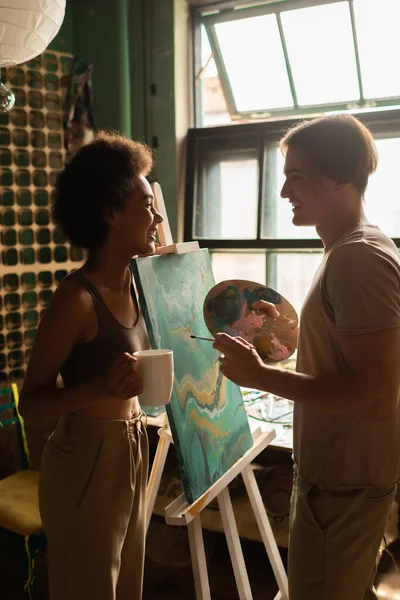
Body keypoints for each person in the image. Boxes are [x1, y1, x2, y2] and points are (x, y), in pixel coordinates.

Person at [213, 114, 400, 600]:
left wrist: (260, 377)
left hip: (343, 487)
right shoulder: (347, 250)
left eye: (296, 177)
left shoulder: (358, 259)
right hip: (339, 481)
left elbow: (377, 396)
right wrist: (289, 335)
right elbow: (351, 364)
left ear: (340, 177)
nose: (283, 193)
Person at [19, 131, 163, 600]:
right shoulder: (75, 299)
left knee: (126, 588)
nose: (157, 214)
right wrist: (102, 386)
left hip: (131, 447)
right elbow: (32, 404)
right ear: (111, 213)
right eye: (146, 203)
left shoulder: (141, 288)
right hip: (85, 460)